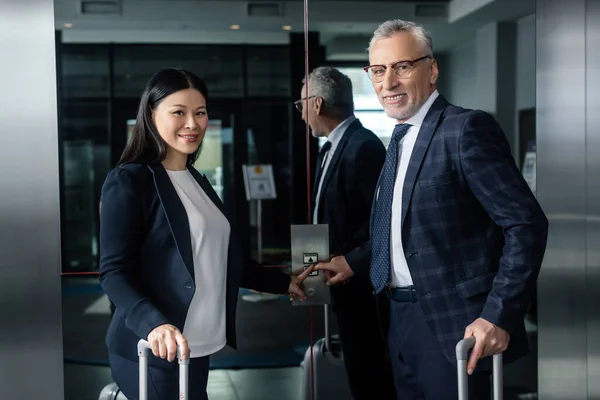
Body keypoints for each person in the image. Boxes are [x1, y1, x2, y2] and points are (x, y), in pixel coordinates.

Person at [99, 68, 312, 400]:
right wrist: (153, 323)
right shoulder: (130, 180)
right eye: (179, 112)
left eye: (199, 113)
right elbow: (114, 272)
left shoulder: (197, 180)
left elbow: (224, 258)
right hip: (154, 347)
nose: (192, 123)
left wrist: (283, 282)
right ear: (152, 114)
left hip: (197, 343)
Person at [363, 20, 549, 399]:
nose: (388, 83)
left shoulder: (465, 129)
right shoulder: (397, 141)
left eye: (402, 67)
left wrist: (498, 314)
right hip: (399, 319)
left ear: (431, 70)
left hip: (457, 326)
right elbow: (403, 229)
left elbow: (525, 223)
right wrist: (352, 262)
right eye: (378, 71)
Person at [296, 66, 396, 399]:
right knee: (358, 368)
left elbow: (381, 224)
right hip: (337, 281)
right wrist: (308, 265)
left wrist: (350, 262)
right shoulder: (331, 147)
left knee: (370, 372)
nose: (302, 115)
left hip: (360, 287)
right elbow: (327, 214)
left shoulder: (362, 147)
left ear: (317, 104)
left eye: (301, 106)